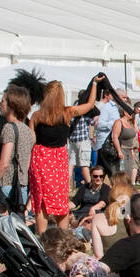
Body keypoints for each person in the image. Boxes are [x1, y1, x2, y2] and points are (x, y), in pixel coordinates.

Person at [29, 77, 104, 233]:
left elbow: (32, 140)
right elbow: (90, 105)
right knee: (61, 201)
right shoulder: (67, 112)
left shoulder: (36, 116)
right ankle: (62, 235)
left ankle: (43, 239)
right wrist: (95, 84)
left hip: (41, 159)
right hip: (58, 161)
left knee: (41, 201)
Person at [0, 85, 34, 212]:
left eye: (3, 101)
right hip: (21, 186)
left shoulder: (8, 128)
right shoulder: (27, 130)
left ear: (12, 105)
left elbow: (4, 163)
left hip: (7, 185)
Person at [111, 99, 140, 186]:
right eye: (131, 112)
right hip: (122, 150)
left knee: (128, 172)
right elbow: (115, 137)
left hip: (129, 150)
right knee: (121, 173)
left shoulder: (130, 123)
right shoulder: (119, 122)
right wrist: (119, 151)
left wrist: (132, 151)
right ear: (125, 112)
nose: (133, 114)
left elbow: (134, 134)